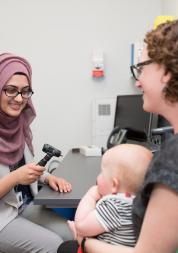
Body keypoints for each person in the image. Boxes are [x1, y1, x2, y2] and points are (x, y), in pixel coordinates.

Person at [58, 19, 178, 253]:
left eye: (141, 68)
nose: (137, 80)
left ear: (165, 71)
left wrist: (85, 241)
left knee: (66, 247)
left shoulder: (173, 157)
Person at [0, 53, 73, 253]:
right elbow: (17, 174)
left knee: (70, 236)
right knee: (56, 247)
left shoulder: (18, 123)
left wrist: (47, 177)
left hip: (23, 205)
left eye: (25, 92)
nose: (19, 98)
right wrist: (16, 177)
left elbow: (24, 165)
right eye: (11, 90)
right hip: (2, 218)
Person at [58, 144, 152, 253]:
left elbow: (81, 226)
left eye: (101, 172)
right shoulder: (144, 202)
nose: (98, 177)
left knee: (64, 248)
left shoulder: (114, 205)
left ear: (114, 185)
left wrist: (90, 196)